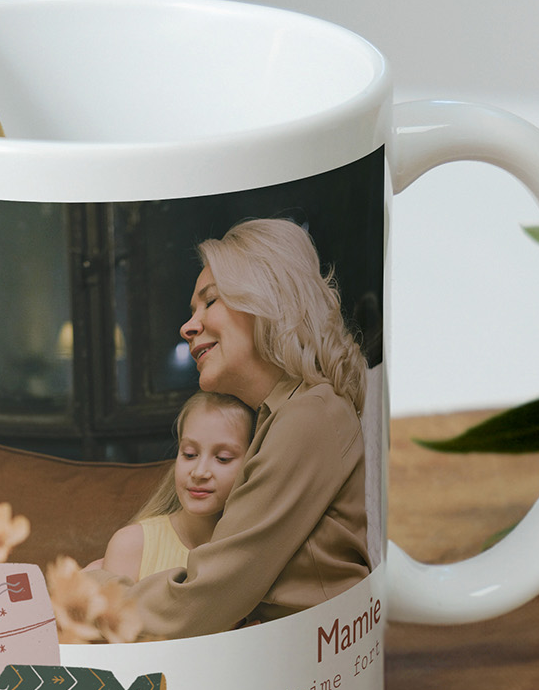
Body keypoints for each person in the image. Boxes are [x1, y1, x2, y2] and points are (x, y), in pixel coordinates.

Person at [108, 216, 371, 640]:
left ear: (266, 300)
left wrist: (95, 593)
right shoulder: (286, 416)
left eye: (209, 302)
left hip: (307, 665)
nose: (188, 326)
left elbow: (207, 597)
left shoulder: (311, 415)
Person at [100, 392, 255, 583]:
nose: (199, 472)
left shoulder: (253, 550)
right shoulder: (131, 545)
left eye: (222, 458)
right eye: (189, 454)